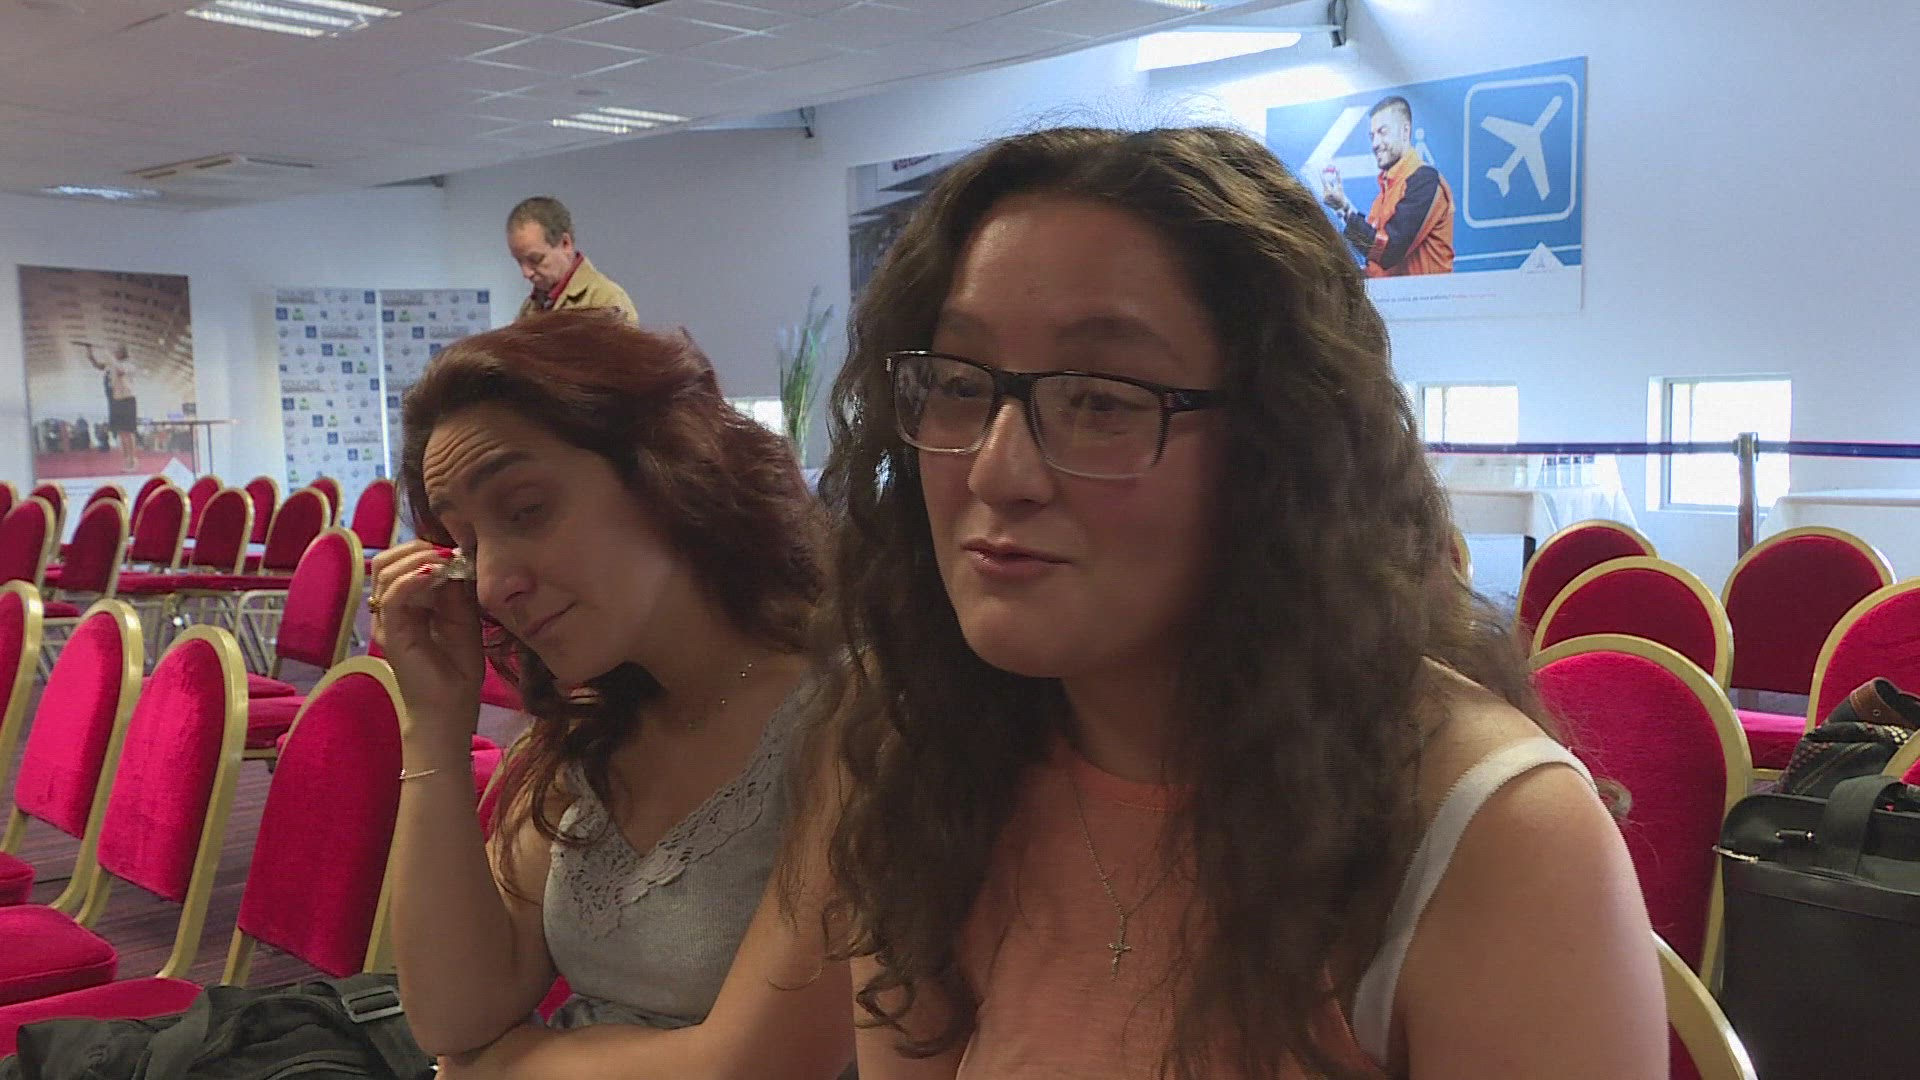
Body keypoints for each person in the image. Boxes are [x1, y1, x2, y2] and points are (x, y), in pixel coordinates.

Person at [810, 126, 1664, 1079]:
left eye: (1100, 400)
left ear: (1278, 446)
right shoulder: (927, 756)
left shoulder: (1489, 840)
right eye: (957, 385)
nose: (995, 471)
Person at [370, 311, 850, 1078]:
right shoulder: (599, 725)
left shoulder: (850, 717)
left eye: (527, 511)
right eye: (467, 545)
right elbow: (450, 1015)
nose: (490, 584)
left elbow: (749, 1067)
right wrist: (435, 727)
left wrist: (495, 1067)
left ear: (667, 469)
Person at [1321, 96, 1456, 277]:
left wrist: (1346, 210)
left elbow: (1389, 252)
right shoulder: (1384, 194)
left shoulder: (1425, 181)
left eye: (1382, 132)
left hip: (1427, 294)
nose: (1375, 144)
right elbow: (1376, 264)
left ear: (1405, 131)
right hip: (1397, 294)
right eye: (1372, 136)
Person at [507, 197, 639, 325]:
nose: (526, 273)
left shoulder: (607, 300)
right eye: (519, 261)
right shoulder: (530, 307)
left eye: (535, 259)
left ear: (565, 243)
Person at [83, 342, 141, 470]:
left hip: (127, 400)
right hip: (115, 400)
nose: (114, 353)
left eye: (116, 351)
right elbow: (99, 366)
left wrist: (108, 355)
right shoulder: (111, 366)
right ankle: (126, 461)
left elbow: (120, 371)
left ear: (122, 353)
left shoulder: (129, 365)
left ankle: (132, 460)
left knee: (128, 432)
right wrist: (90, 354)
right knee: (121, 433)